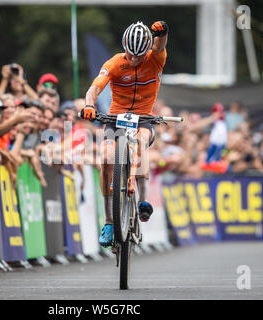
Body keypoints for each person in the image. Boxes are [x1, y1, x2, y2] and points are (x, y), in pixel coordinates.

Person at [81, 20, 169, 247]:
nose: (134, 59)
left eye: (139, 56)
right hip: (116, 118)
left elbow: (159, 45)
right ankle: (109, 222)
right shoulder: (114, 63)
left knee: (140, 141)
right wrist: (90, 105)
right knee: (106, 160)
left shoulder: (156, 59)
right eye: (130, 55)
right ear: (125, 49)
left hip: (144, 118)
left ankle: (142, 200)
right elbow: (94, 88)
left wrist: (163, 31)